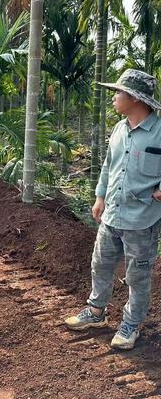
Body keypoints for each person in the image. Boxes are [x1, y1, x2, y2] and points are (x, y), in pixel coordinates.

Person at [65, 69, 161, 350]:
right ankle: (96, 312)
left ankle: (131, 324)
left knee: (137, 276)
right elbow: (108, 165)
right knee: (101, 264)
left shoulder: (159, 132)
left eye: (118, 93)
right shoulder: (120, 129)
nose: (114, 98)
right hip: (112, 215)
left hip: (142, 220)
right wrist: (99, 197)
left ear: (134, 98)